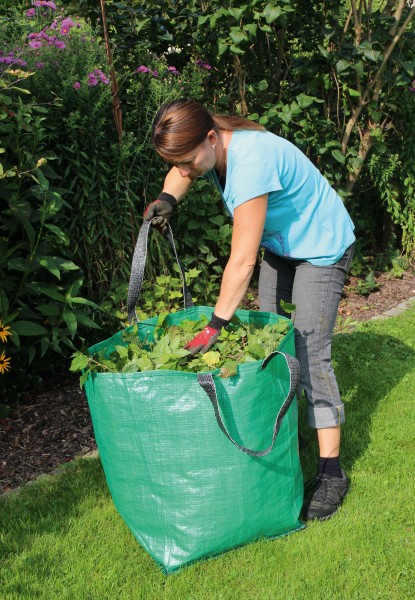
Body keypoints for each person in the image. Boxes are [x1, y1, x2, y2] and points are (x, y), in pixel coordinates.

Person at [144, 98, 356, 521]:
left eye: (187, 162)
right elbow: (180, 167)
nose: (185, 171)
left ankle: (332, 471)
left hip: (321, 247)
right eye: (178, 164)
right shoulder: (212, 144)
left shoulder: (251, 163)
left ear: (210, 138)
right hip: (283, 246)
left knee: (311, 353)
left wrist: (216, 324)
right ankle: (287, 435)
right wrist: (169, 197)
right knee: (274, 344)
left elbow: (241, 262)